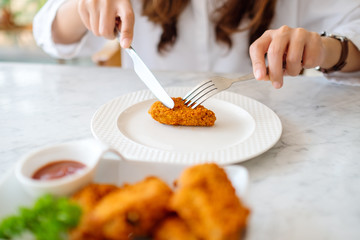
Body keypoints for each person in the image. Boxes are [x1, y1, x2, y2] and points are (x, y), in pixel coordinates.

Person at [33, 0, 360, 88]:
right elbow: (49, 35)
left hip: (273, 131)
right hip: (151, 136)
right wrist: (82, 6)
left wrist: (327, 50)